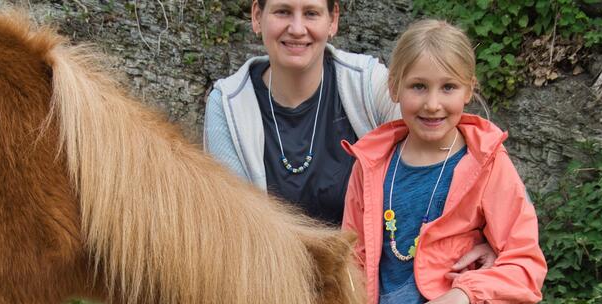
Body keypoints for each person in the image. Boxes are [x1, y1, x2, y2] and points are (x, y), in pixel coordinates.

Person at [335, 19, 547, 304]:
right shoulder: (371, 164)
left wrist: (463, 294)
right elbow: (351, 258)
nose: (433, 104)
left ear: (469, 90)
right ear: (394, 88)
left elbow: (526, 263)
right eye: (418, 87)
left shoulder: (487, 162)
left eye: (448, 87)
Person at [203, 0, 495, 265]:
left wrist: (492, 237)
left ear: (333, 20)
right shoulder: (229, 104)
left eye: (311, 13)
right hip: (273, 279)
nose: (296, 28)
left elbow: (451, 145)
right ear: (257, 17)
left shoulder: (366, 83)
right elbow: (234, 225)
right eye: (282, 11)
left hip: (369, 277)